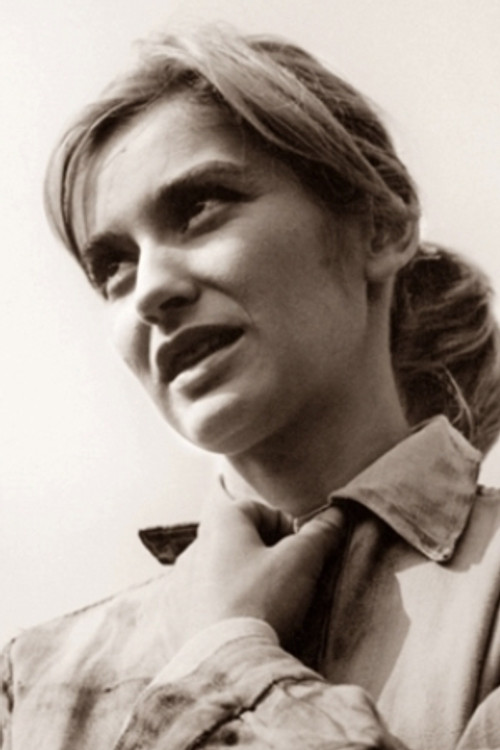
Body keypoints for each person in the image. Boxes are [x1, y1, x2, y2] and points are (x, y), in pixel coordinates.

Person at [2, 24, 500, 750]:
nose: (150, 290)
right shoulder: (34, 680)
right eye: (113, 266)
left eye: (200, 209)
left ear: (382, 227)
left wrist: (230, 660)